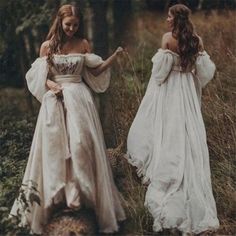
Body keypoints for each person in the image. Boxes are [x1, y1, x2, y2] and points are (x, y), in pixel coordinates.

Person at [10, 4, 125, 234]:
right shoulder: (47, 46)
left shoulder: (83, 44)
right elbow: (38, 76)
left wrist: (114, 57)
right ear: (59, 22)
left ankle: (80, 195)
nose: (71, 29)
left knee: (81, 143)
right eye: (67, 25)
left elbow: (95, 71)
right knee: (55, 147)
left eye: (75, 25)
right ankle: (57, 197)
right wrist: (51, 85)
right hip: (55, 100)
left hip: (80, 99)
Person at [126, 4, 219, 235]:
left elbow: (159, 75)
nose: (166, 19)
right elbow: (205, 73)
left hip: (170, 90)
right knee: (187, 131)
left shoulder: (167, 39)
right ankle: (187, 173)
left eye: (169, 15)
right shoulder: (196, 40)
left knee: (169, 130)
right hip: (187, 89)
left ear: (175, 19)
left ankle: (168, 175)